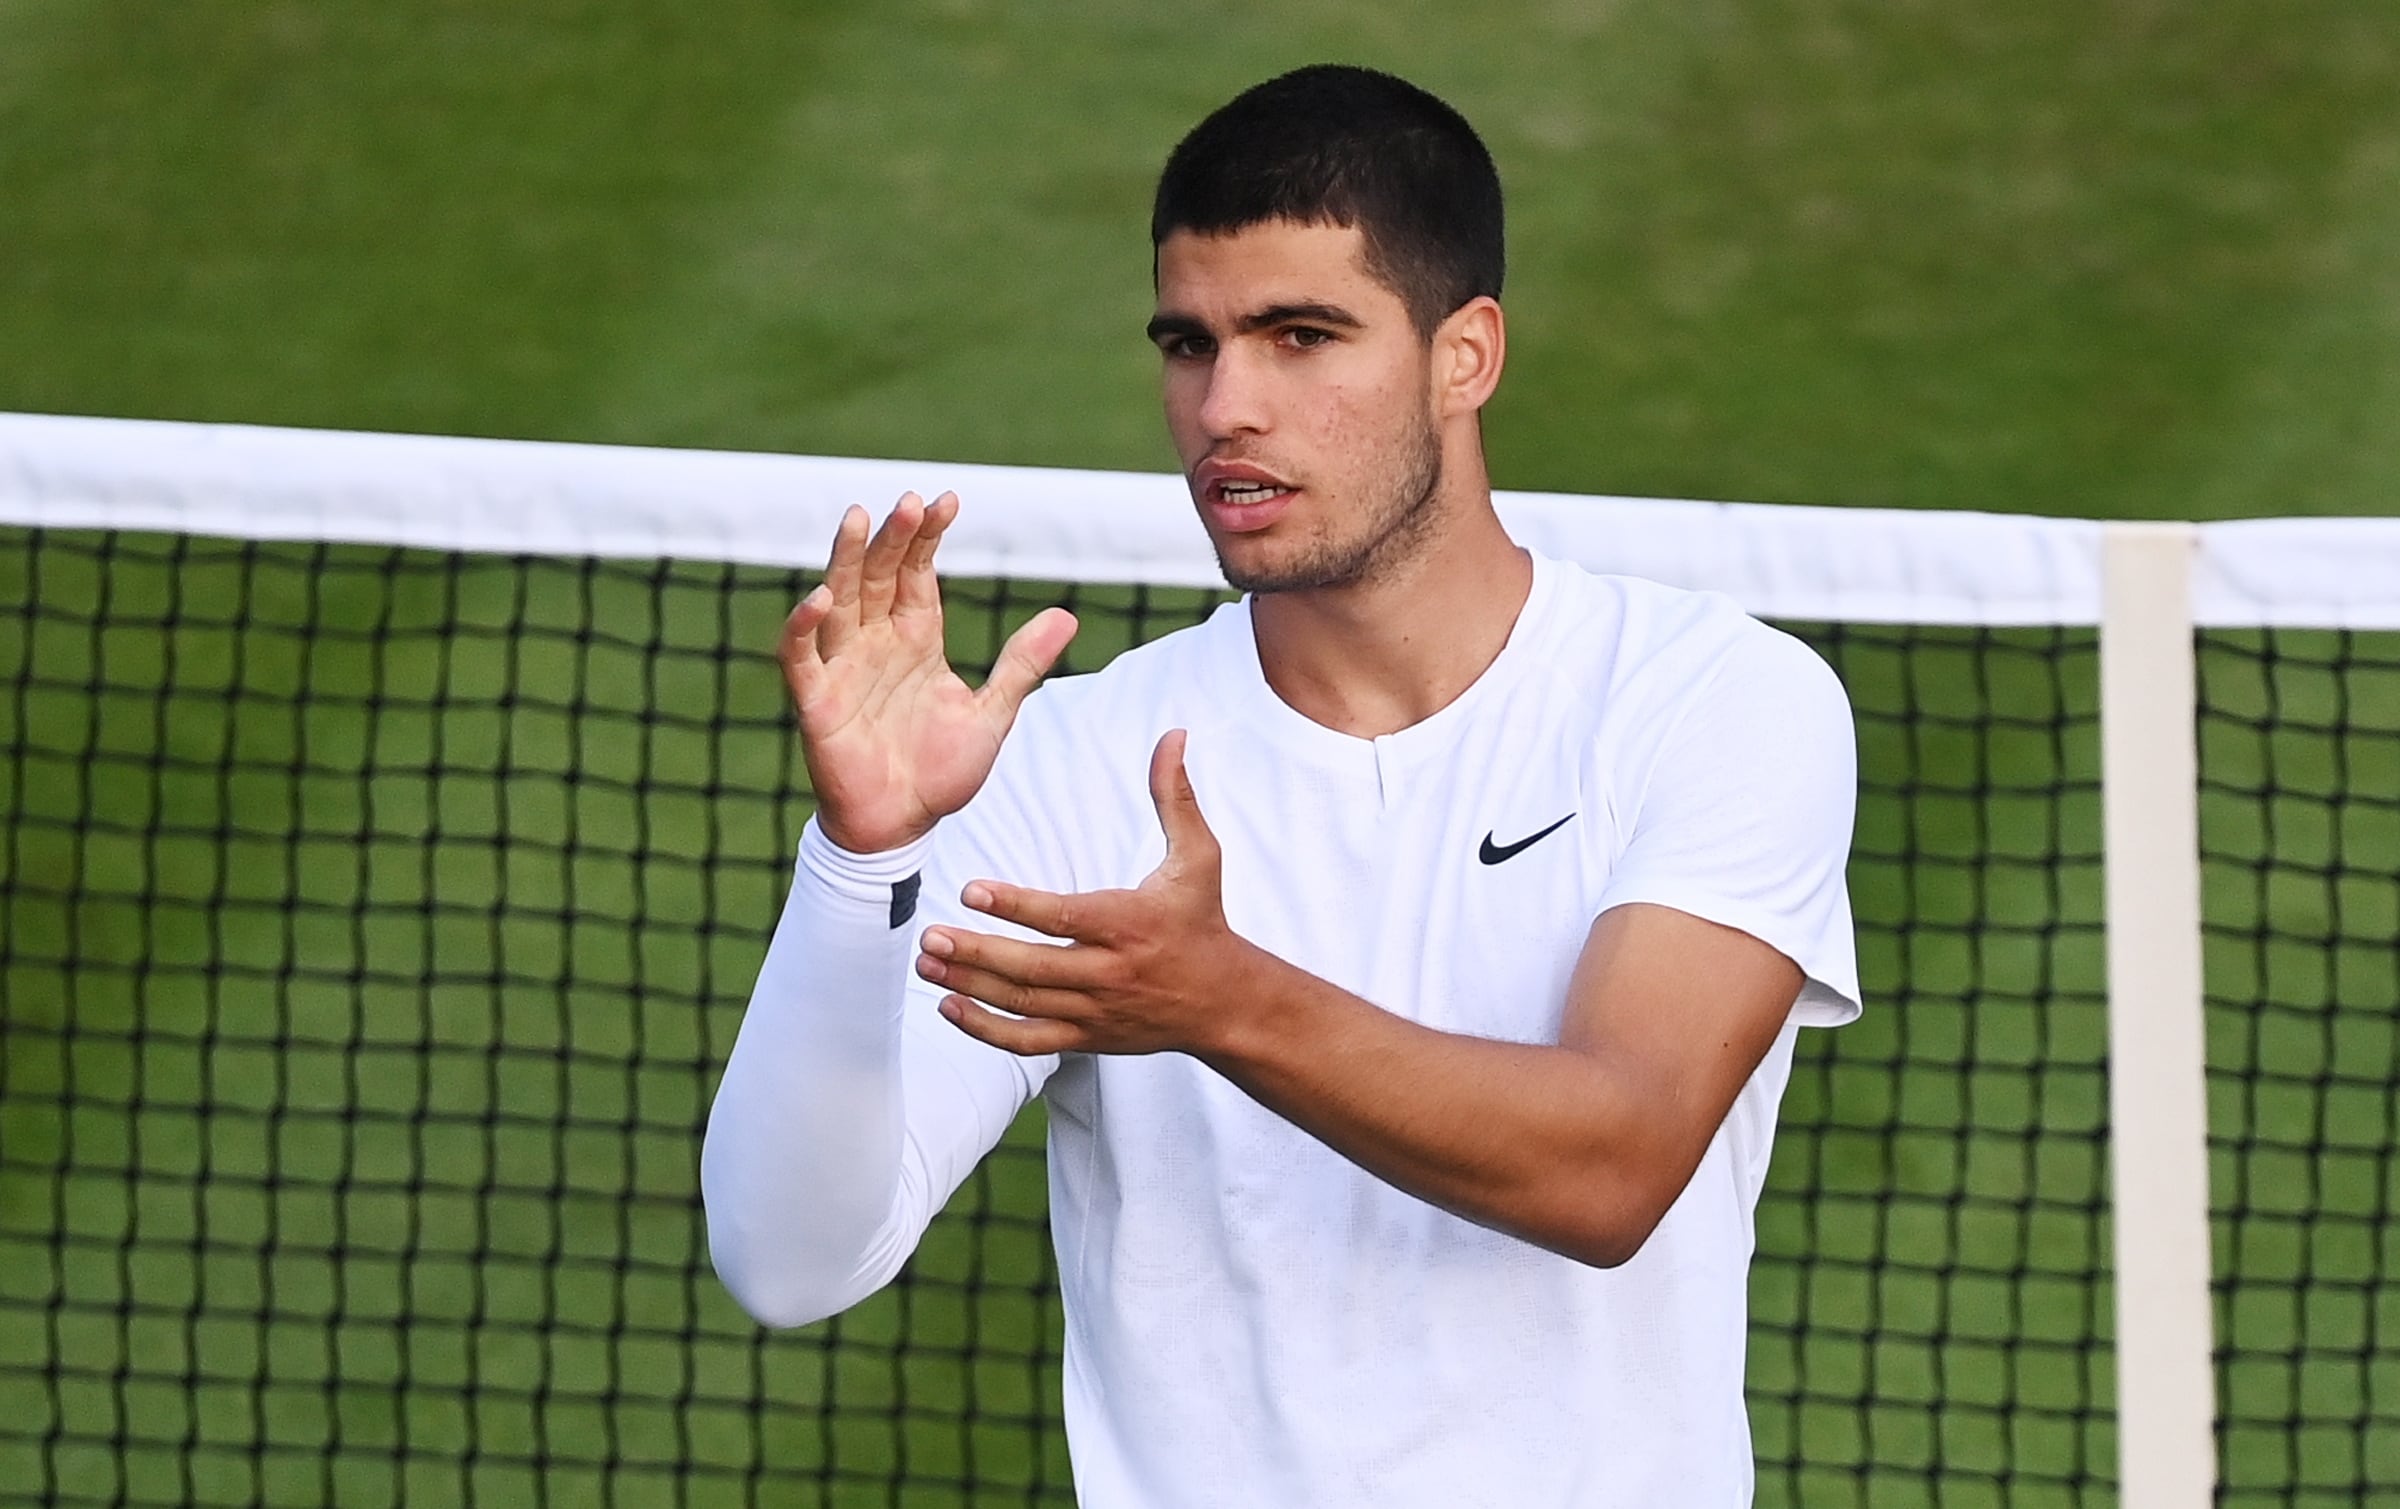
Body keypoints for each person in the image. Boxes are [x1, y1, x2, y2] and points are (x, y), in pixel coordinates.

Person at [702, 63, 1859, 1507]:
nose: (1225, 405)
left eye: (1300, 335)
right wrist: (861, 860)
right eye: (1189, 344)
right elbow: (793, 1258)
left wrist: (1218, 999)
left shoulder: (1713, 698)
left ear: (1467, 354)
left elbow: (1612, 1164)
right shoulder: (1064, 765)